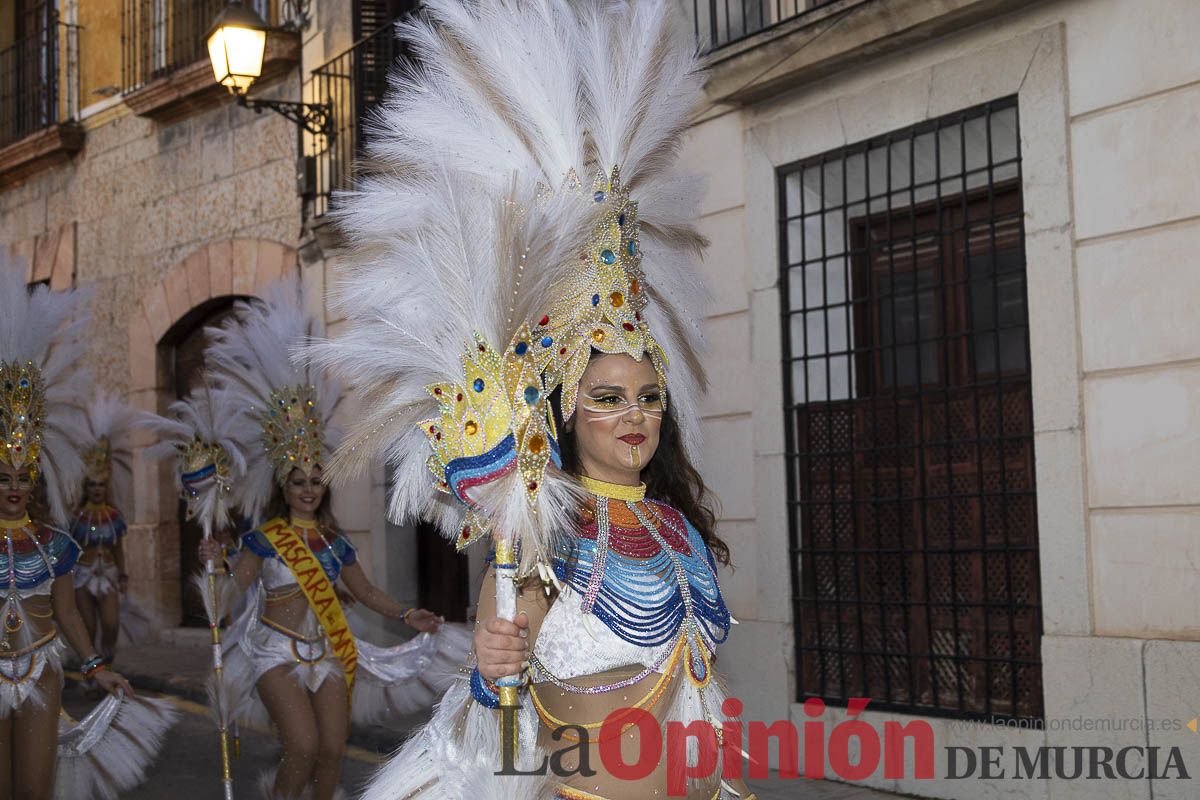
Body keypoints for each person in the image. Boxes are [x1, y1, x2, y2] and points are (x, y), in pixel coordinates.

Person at [305, 2, 754, 796]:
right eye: (610, 396)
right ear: (568, 412)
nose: (636, 416)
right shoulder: (548, 540)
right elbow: (496, 716)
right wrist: (489, 666)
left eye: (650, 398)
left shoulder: (677, 527)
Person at [199, 277, 469, 800]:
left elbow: (365, 592)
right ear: (284, 485)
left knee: (331, 750)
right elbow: (237, 588)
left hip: (328, 651)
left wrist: (406, 614)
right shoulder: (265, 539)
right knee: (300, 747)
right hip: (273, 652)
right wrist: (219, 564)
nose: (307, 488)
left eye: (314, 480)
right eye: (297, 481)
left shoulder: (332, 541)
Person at [0, 261, 175, 800]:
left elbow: (68, 614)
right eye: (3, 477)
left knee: (34, 791)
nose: (14, 488)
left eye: (22, 478)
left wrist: (97, 667)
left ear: (37, 481)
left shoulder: (55, 546)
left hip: (41, 669)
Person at [71, 391, 138, 666]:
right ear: (85, 487)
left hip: (108, 575)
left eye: (101, 484)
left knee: (111, 624)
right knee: (88, 626)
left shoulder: (114, 516)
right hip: (83, 576)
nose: (97, 489)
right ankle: (92, 671)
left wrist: (122, 575)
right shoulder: (76, 517)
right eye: (92, 485)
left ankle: (106, 662)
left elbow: (119, 547)